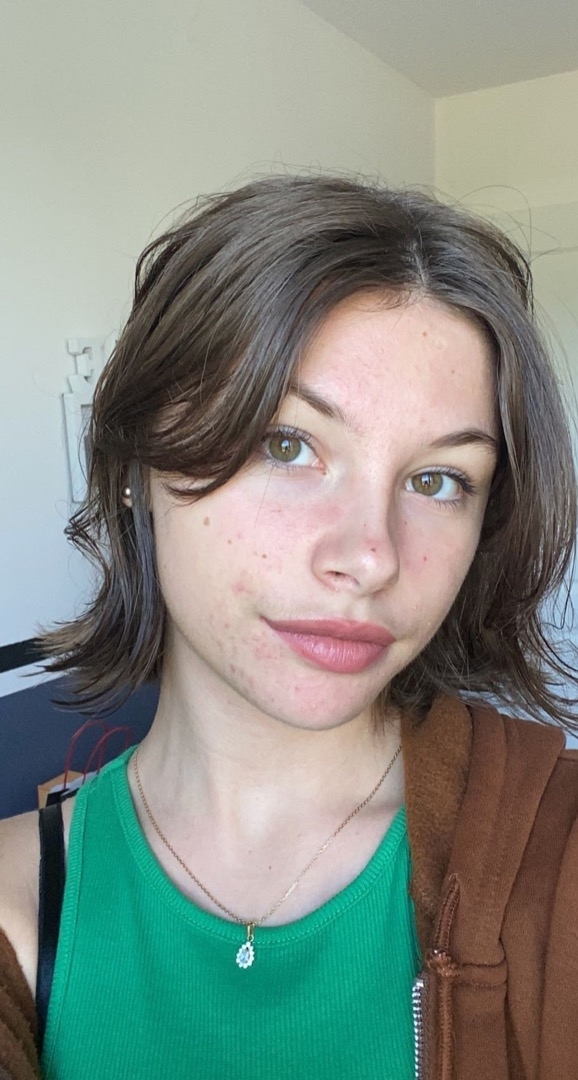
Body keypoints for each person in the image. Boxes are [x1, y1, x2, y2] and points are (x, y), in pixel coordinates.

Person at [1, 174, 577, 1080]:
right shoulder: (18, 905)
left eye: (438, 480)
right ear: (135, 462)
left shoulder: (556, 854)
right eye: (288, 444)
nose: (372, 556)